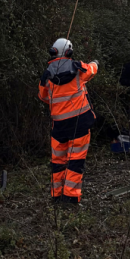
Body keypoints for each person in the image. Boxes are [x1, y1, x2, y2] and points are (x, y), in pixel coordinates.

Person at [39, 38, 98, 206]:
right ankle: (70, 197)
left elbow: (43, 96)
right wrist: (95, 63)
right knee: (76, 160)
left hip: (59, 126)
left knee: (57, 162)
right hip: (79, 123)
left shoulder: (47, 75)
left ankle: (57, 195)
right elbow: (92, 70)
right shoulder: (78, 67)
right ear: (69, 52)